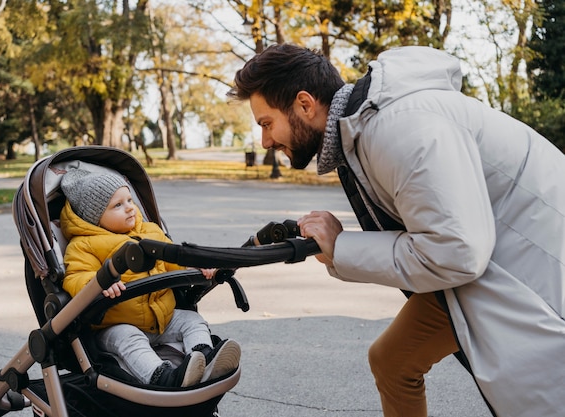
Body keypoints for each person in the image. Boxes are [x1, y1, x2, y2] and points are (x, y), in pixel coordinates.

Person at [228, 43, 565, 416]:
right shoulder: (364, 131)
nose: (265, 141)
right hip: (491, 265)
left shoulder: (397, 127)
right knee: (393, 361)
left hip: (537, 272)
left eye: (266, 124)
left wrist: (342, 248)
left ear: (305, 104)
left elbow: (456, 251)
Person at [59, 167, 241, 388]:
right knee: (129, 340)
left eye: (129, 200)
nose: (129, 208)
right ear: (95, 218)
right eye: (117, 205)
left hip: (162, 319)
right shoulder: (84, 245)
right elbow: (75, 276)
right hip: (115, 325)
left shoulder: (150, 231)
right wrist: (96, 283)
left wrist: (197, 265)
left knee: (192, 321)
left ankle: (204, 356)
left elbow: (174, 260)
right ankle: (161, 376)